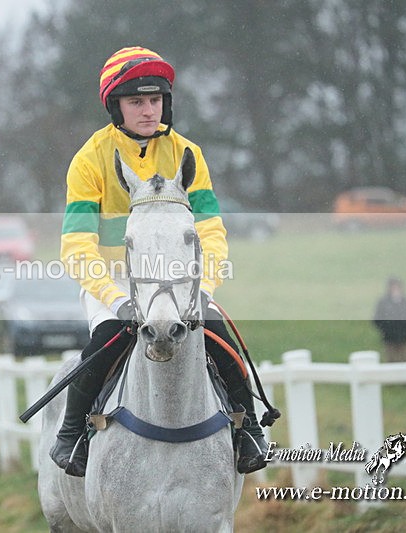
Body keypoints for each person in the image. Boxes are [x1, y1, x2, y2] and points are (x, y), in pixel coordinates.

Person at [51, 46, 269, 477]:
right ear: (117, 106)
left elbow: (210, 231)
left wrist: (202, 289)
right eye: (137, 102)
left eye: (155, 101)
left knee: (220, 338)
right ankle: (71, 432)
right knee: (107, 339)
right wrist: (117, 301)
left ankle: (248, 429)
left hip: (181, 285)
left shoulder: (189, 154)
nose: (149, 111)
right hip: (115, 284)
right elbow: (76, 247)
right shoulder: (88, 159)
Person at [373, 277, 406, 363]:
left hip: (404, 337)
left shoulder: (405, 302)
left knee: (404, 360)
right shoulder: (383, 302)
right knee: (391, 361)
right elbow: (377, 319)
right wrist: (386, 329)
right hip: (389, 338)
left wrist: (404, 328)